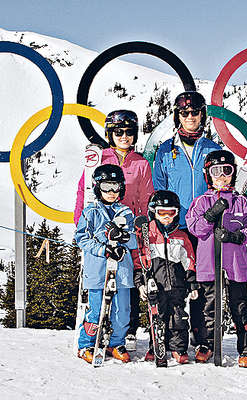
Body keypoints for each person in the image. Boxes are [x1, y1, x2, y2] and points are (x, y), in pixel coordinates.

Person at [74, 110, 153, 350]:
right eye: (119, 132)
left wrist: (141, 229)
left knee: (124, 288)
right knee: (98, 288)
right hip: (98, 230)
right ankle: (89, 338)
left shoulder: (140, 163)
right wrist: (82, 223)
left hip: (126, 228)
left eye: (129, 132)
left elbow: (146, 198)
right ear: (110, 133)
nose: (124, 136)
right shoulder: (99, 158)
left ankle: (120, 338)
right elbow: (83, 192)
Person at [152, 91, 221, 345]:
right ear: (177, 116)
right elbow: (159, 189)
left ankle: (203, 339)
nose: (190, 117)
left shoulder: (212, 150)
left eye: (195, 112)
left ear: (203, 115)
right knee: (174, 287)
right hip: (176, 228)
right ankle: (172, 340)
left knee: (202, 287)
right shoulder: (165, 151)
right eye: (185, 113)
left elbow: (221, 187)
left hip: (203, 228)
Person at [185, 150, 247, 367]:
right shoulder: (201, 202)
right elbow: (195, 228)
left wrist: (236, 236)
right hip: (209, 264)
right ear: (208, 175)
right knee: (208, 306)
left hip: (235, 265)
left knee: (239, 306)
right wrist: (210, 216)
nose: (221, 176)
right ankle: (205, 344)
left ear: (233, 173)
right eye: (215, 171)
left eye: (226, 171)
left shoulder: (242, 202)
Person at [75, 164, 137, 364]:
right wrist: (103, 248)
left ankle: (116, 342)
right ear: (97, 187)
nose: (111, 192)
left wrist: (125, 238)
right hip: (98, 269)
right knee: (95, 309)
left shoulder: (126, 212)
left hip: (121, 270)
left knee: (122, 311)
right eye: (106, 187)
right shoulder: (90, 211)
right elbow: (81, 238)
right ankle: (86, 344)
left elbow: (135, 239)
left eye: (115, 187)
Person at [134, 190, 197, 365]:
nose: (167, 217)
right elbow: (140, 261)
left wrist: (192, 284)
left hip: (177, 286)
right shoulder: (148, 237)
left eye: (172, 213)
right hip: (157, 286)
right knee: (157, 317)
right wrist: (141, 284)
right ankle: (156, 346)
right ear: (154, 212)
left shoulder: (182, 237)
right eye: (162, 213)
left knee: (178, 317)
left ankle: (178, 348)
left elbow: (189, 261)